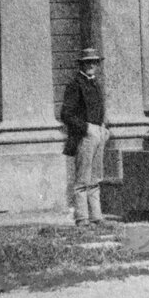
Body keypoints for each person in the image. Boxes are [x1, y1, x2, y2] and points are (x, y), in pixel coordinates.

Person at [60, 47, 111, 226]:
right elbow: (66, 114)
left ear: (97, 64)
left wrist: (102, 127)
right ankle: (82, 217)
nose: (91, 65)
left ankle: (96, 216)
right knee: (82, 179)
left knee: (95, 177)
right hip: (85, 135)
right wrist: (86, 127)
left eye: (94, 62)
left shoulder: (95, 84)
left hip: (98, 133)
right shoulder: (75, 85)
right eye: (87, 62)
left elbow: (99, 109)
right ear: (81, 64)